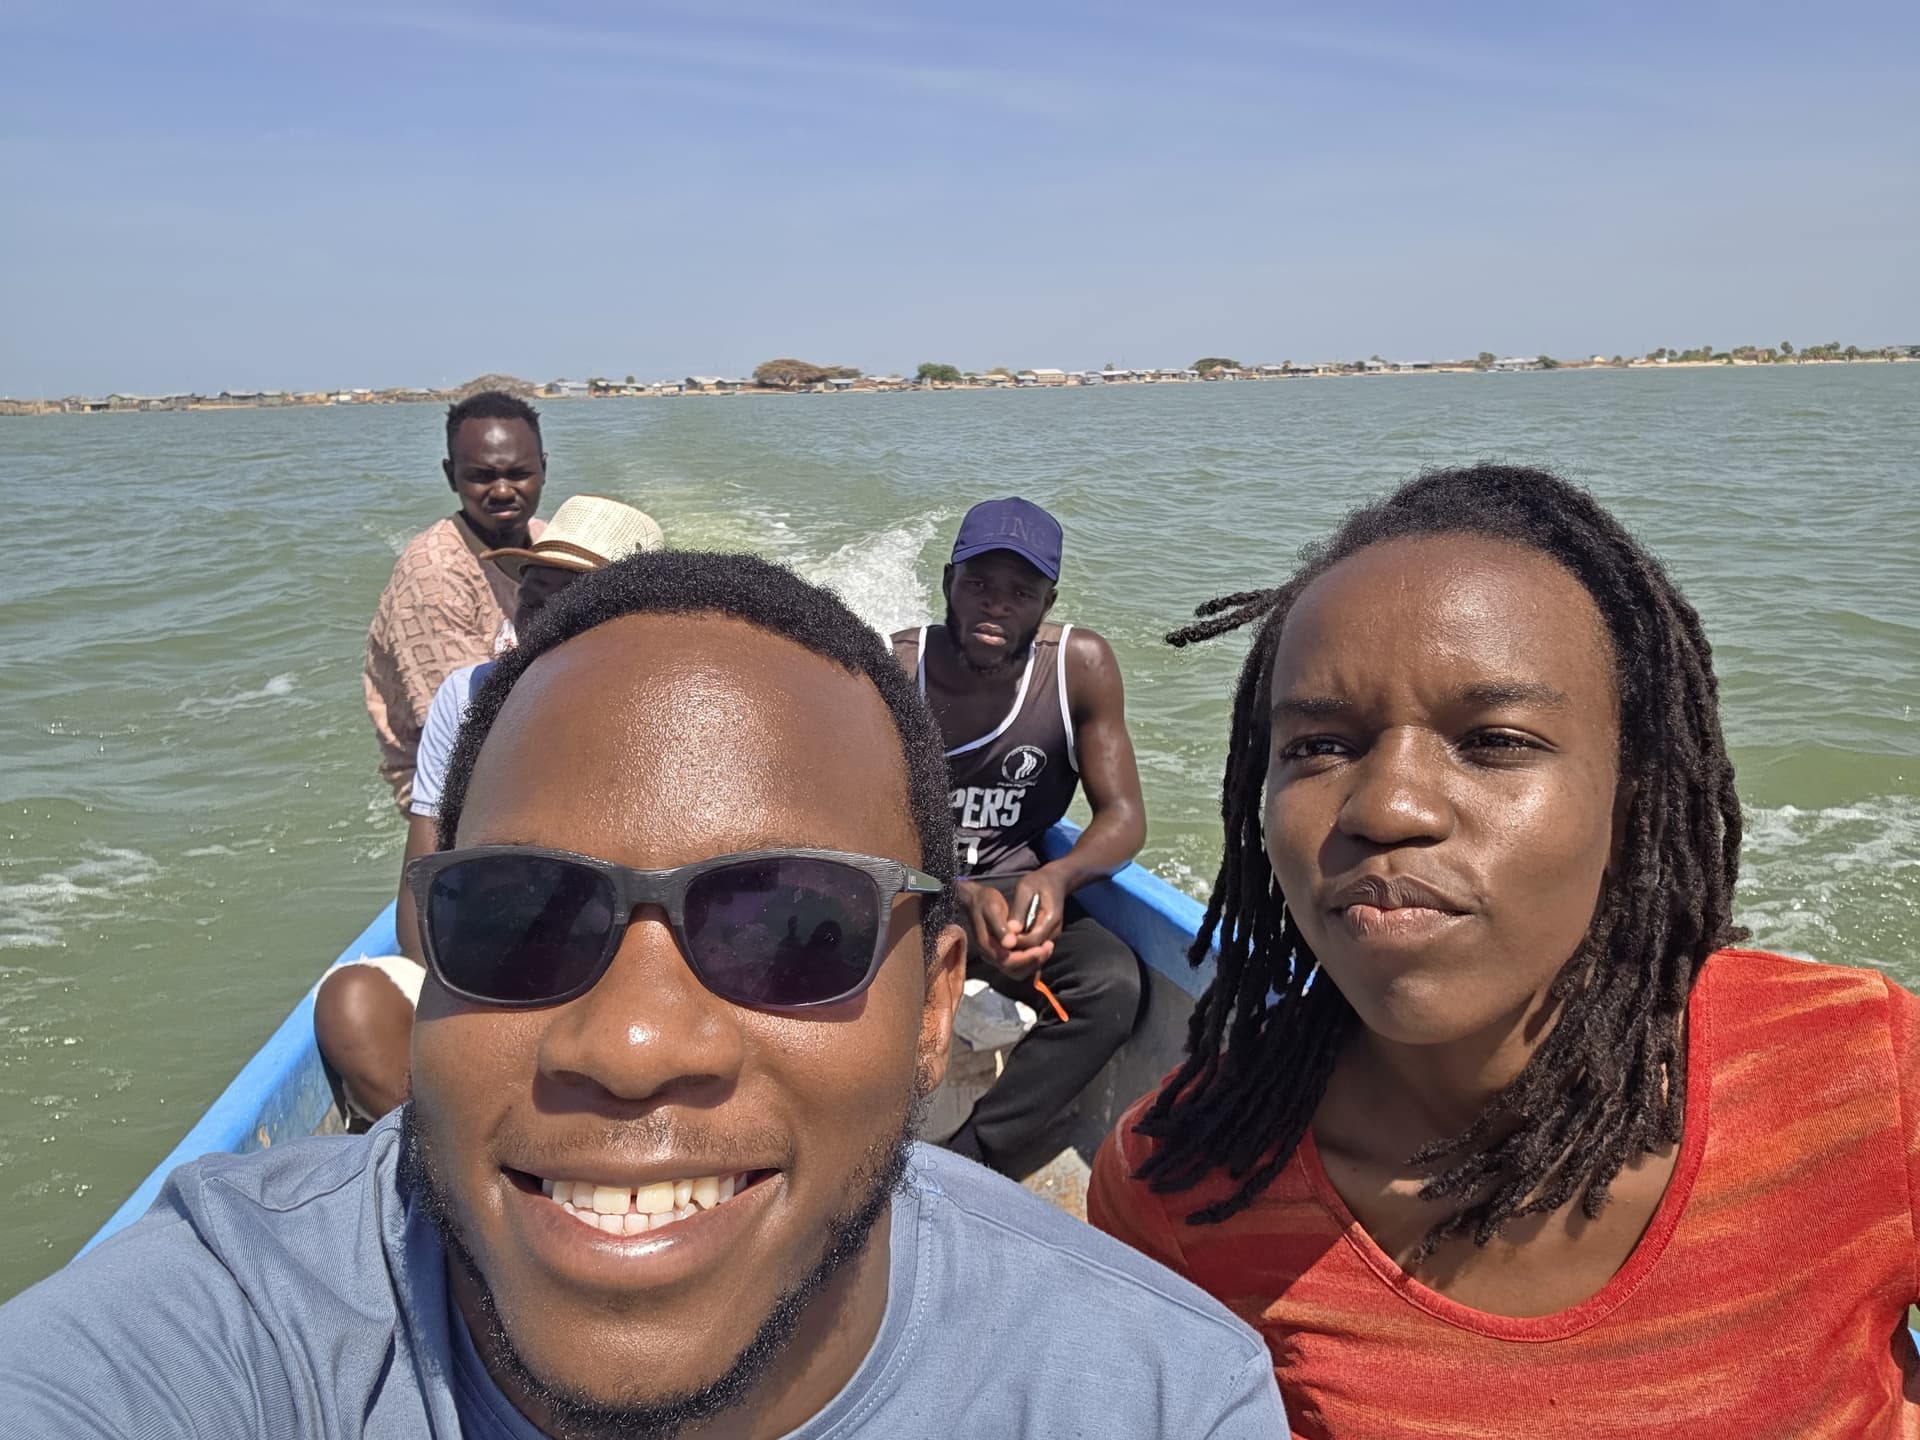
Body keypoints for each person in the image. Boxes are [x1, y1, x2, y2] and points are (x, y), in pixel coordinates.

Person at [0, 552, 1286, 1438]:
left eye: (794, 927)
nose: (629, 1045)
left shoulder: (1154, 1398)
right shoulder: (239, 1321)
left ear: (933, 1006)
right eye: (517, 916)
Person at [1089, 464, 1920, 1436]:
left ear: (1636, 787)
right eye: (1317, 747)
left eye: (1494, 740)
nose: (1387, 807)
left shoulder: (1864, 1073)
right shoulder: (1182, 1189)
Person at [317, 494, 665, 1124]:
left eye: (576, 595)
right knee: (351, 1003)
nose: (543, 609)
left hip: (623, 980)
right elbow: (419, 901)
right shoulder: (468, 700)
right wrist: (491, 1013)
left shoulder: (675, 719)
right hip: (490, 966)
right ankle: (451, 1164)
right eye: (536, 586)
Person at [892, 498, 1147, 1177]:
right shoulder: (894, 670)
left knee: (1109, 986)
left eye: (1020, 592)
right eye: (978, 585)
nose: (995, 606)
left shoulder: (1078, 667)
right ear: (948, 582)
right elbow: (840, 821)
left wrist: (1056, 880)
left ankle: (971, 1163)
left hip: (1016, 891)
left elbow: (1123, 815)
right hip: (910, 888)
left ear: (1048, 600)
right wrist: (952, 891)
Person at [364, 390, 548, 809]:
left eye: (519, 473)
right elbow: (463, 731)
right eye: (482, 476)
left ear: (543, 470)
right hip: (445, 781)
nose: (502, 491)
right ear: (451, 476)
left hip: (533, 722)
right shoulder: (434, 574)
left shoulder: (547, 540)